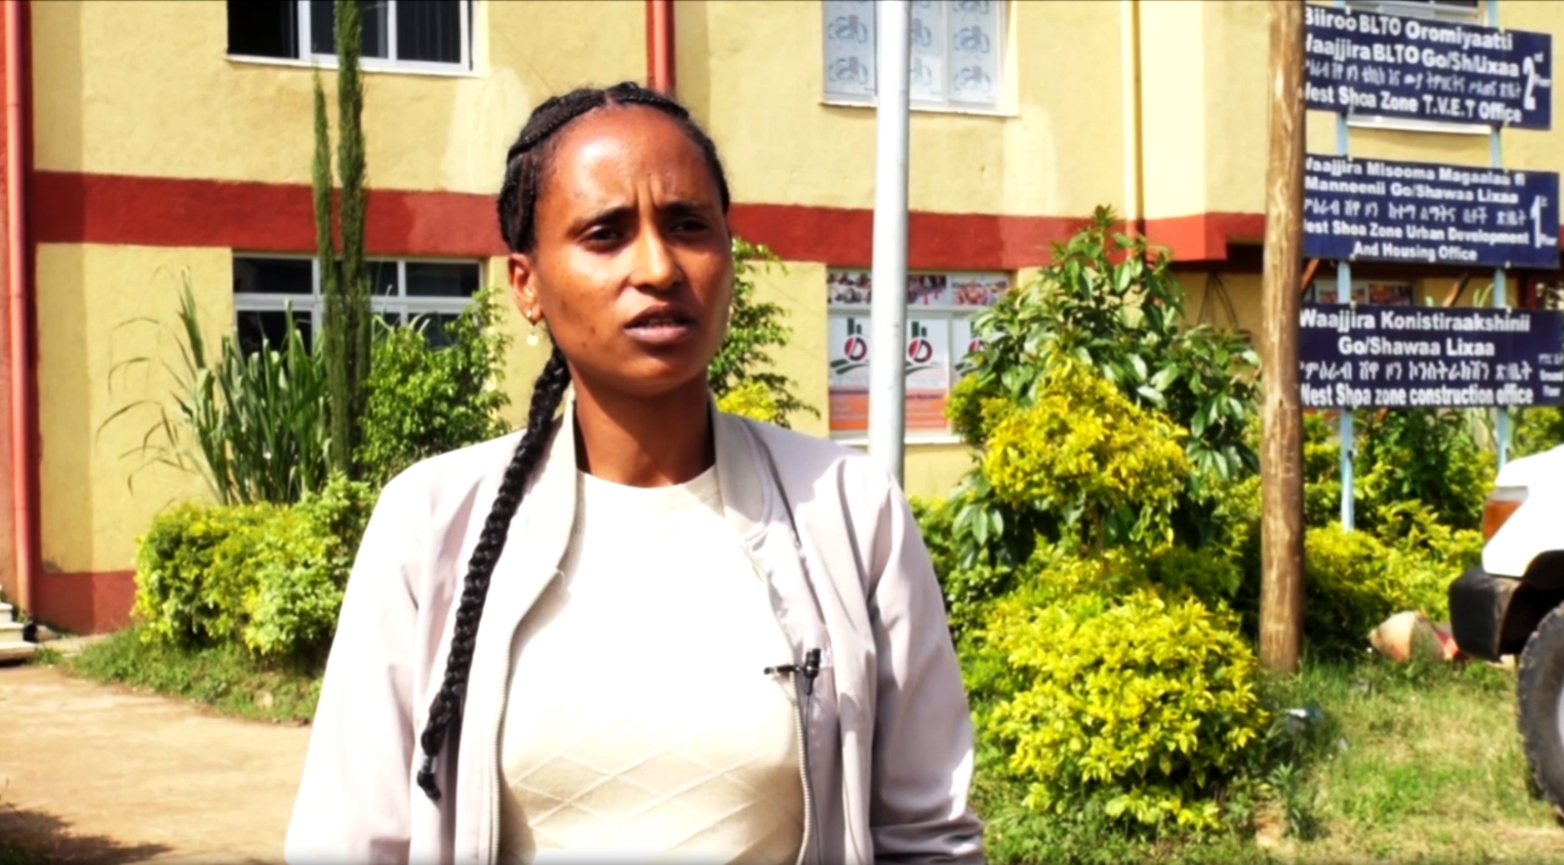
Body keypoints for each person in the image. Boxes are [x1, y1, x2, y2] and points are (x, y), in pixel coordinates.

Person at [283, 81, 983, 865]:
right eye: (605, 234)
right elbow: (350, 843)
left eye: (688, 226)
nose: (658, 266)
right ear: (526, 284)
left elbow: (926, 836)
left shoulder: (848, 510)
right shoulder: (433, 522)